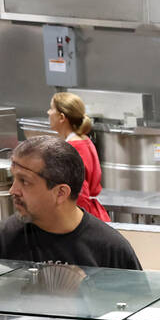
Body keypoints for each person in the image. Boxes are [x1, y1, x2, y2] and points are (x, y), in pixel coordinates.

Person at [0, 136, 141, 269]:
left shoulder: (111, 250)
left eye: (24, 181)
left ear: (61, 193)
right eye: (14, 179)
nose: (13, 190)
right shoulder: (1, 240)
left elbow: (136, 308)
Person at [46, 91, 109, 222]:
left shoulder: (72, 148)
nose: (48, 112)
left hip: (82, 217)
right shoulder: (84, 140)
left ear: (62, 117)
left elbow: (80, 193)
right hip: (92, 215)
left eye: (52, 109)